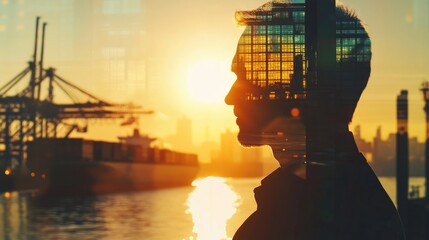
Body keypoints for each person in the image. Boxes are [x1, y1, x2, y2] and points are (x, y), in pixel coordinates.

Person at [225, 1, 405, 239]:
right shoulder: (351, 203)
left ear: (299, 86)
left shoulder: (308, 216)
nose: (229, 98)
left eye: (247, 78)